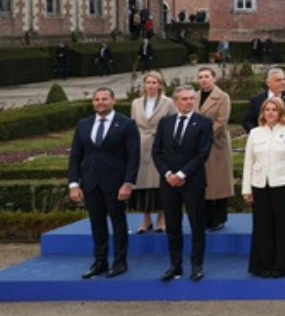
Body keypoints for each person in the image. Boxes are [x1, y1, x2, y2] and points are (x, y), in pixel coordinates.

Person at [67, 87, 139, 279]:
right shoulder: (83, 124)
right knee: (97, 224)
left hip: (115, 184)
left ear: (113, 101)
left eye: (104, 99)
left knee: (118, 223)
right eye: (97, 99)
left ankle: (120, 261)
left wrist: (128, 183)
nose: (100, 102)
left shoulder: (126, 124)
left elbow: (134, 157)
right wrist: (73, 183)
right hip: (90, 183)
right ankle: (100, 261)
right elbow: (75, 156)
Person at [151, 85, 214, 282]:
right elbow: (157, 152)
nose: (189, 102)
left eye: (191, 99)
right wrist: (168, 174)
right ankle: (175, 265)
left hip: (193, 182)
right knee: (173, 226)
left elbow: (203, 153)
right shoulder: (165, 123)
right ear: (176, 101)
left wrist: (182, 174)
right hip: (168, 183)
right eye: (184, 99)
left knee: (197, 225)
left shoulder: (203, 123)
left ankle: (197, 265)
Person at [241, 97, 285, 278]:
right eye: (267, 109)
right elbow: (248, 163)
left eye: (274, 110)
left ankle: (282, 265)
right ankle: (263, 265)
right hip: (259, 186)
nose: (270, 113)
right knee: (262, 227)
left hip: (284, 185)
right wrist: (246, 189)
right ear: (262, 112)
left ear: (281, 112)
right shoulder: (254, 133)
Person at [130, 70, 176, 234]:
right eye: (148, 82)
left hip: (160, 145)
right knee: (141, 183)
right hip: (141, 146)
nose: (151, 86)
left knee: (160, 182)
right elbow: (132, 125)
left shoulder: (168, 102)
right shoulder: (136, 103)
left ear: (160, 84)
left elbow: (173, 125)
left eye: (154, 82)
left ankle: (161, 218)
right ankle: (146, 218)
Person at [197, 67, 233, 232]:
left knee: (218, 183)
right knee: (203, 183)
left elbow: (221, 121)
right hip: (197, 146)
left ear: (213, 78)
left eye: (206, 76)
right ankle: (204, 218)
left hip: (216, 144)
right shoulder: (194, 96)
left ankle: (219, 219)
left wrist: (203, 136)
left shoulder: (222, 97)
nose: (203, 80)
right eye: (200, 77)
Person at [244, 68, 285, 133]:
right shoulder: (256, 99)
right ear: (268, 83)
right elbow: (247, 121)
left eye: (284, 79)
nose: (283, 82)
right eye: (278, 80)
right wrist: (259, 133)